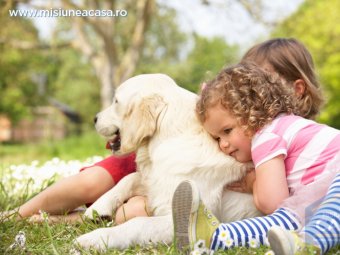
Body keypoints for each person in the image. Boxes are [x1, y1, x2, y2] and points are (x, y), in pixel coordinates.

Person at [6, 38, 324, 225]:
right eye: (247, 82)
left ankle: (69, 219)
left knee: (133, 212)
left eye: (262, 81)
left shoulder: (280, 133)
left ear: (296, 90)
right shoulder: (243, 117)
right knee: (92, 181)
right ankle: (17, 215)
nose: (254, 91)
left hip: (182, 174)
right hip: (156, 150)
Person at [172, 62, 339, 254]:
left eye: (227, 131)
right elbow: (283, 210)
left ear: (251, 112)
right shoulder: (283, 126)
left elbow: (273, 202)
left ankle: (310, 244)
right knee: (288, 220)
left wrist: (253, 183)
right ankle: (214, 237)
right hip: (321, 195)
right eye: (217, 138)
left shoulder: (266, 137)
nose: (223, 144)